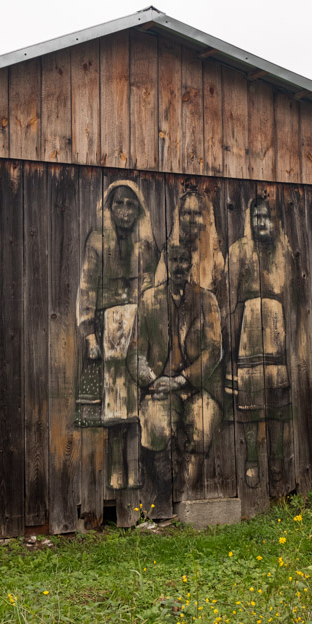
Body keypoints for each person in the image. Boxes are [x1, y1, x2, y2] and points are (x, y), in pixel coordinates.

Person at [75, 180, 158, 489]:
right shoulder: (97, 242)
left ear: (139, 210)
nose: (124, 211)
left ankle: (134, 468)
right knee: (114, 404)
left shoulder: (146, 245)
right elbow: (86, 289)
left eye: (130, 205)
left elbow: (154, 291)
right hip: (109, 328)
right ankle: (115, 468)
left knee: (137, 402)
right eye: (118, 204)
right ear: (109, 208)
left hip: (139, 326)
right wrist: (89, 336)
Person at [131, 243, 223, 491]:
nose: (179, 266)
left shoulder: (206, 300)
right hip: (159, 387)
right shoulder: (149, 300)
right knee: (155, 428)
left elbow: (214, 350)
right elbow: (135, 353)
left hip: (196, 387)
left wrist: (182, 379)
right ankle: (165, 475)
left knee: (203, 427)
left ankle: (187, 490)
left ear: (190, 265)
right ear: (166, 264)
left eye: (184, 260)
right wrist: (151, 381)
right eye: (174, 260)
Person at [225, 194, 294, 486]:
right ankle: (252, 456)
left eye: (265, 216)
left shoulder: (283, 250)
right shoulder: (239, 251)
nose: (260, 222)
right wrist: (230, 347)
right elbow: (229, 300)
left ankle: (277, 459)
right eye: (255, 217)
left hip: (277, 329)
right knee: (251, 400)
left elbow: (294, 296)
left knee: (278, 401)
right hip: (249, 330)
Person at [154, 189, 225, 294]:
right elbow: (158, 291)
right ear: (179, 217)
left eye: (197, 213)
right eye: (187, 213)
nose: (192, 219)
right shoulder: (168, 253)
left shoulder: (215, 255)